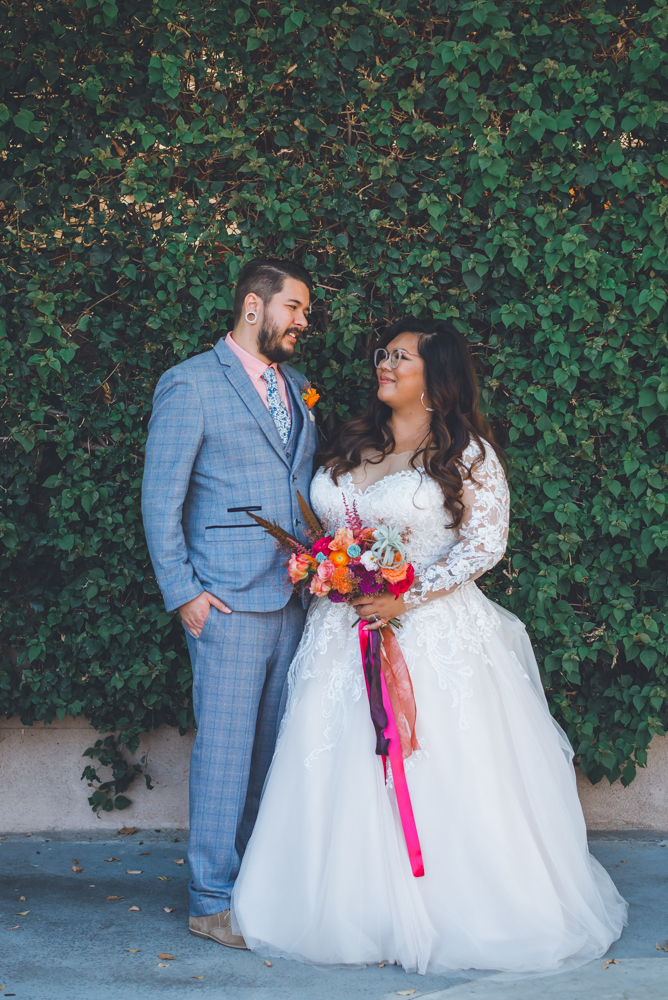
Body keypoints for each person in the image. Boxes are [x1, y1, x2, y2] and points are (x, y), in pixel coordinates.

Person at [232, 318, 627, 975]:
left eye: (402, 358)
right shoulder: (353, 439)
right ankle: (347, 908)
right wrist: (331, 574)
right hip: (340, 632)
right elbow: (329, 526)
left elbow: (484, 543)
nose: (385, 365)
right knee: (339, 764)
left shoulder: (467, 453)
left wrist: (405, 598)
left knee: (439, 766)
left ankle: (453, 905)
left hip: (430, 631)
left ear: (436, 377)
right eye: (383, 354)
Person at [141, 258, 318, 948]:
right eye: (295, 308)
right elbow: (161, 500)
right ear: (255, 305)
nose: (304, 322)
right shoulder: (190, 384)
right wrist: (185, 594)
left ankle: (256, 887)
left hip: (296, 600)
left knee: (273, 751)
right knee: (224, 752)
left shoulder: (299, 387)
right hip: (225, 602)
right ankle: (211, 898)